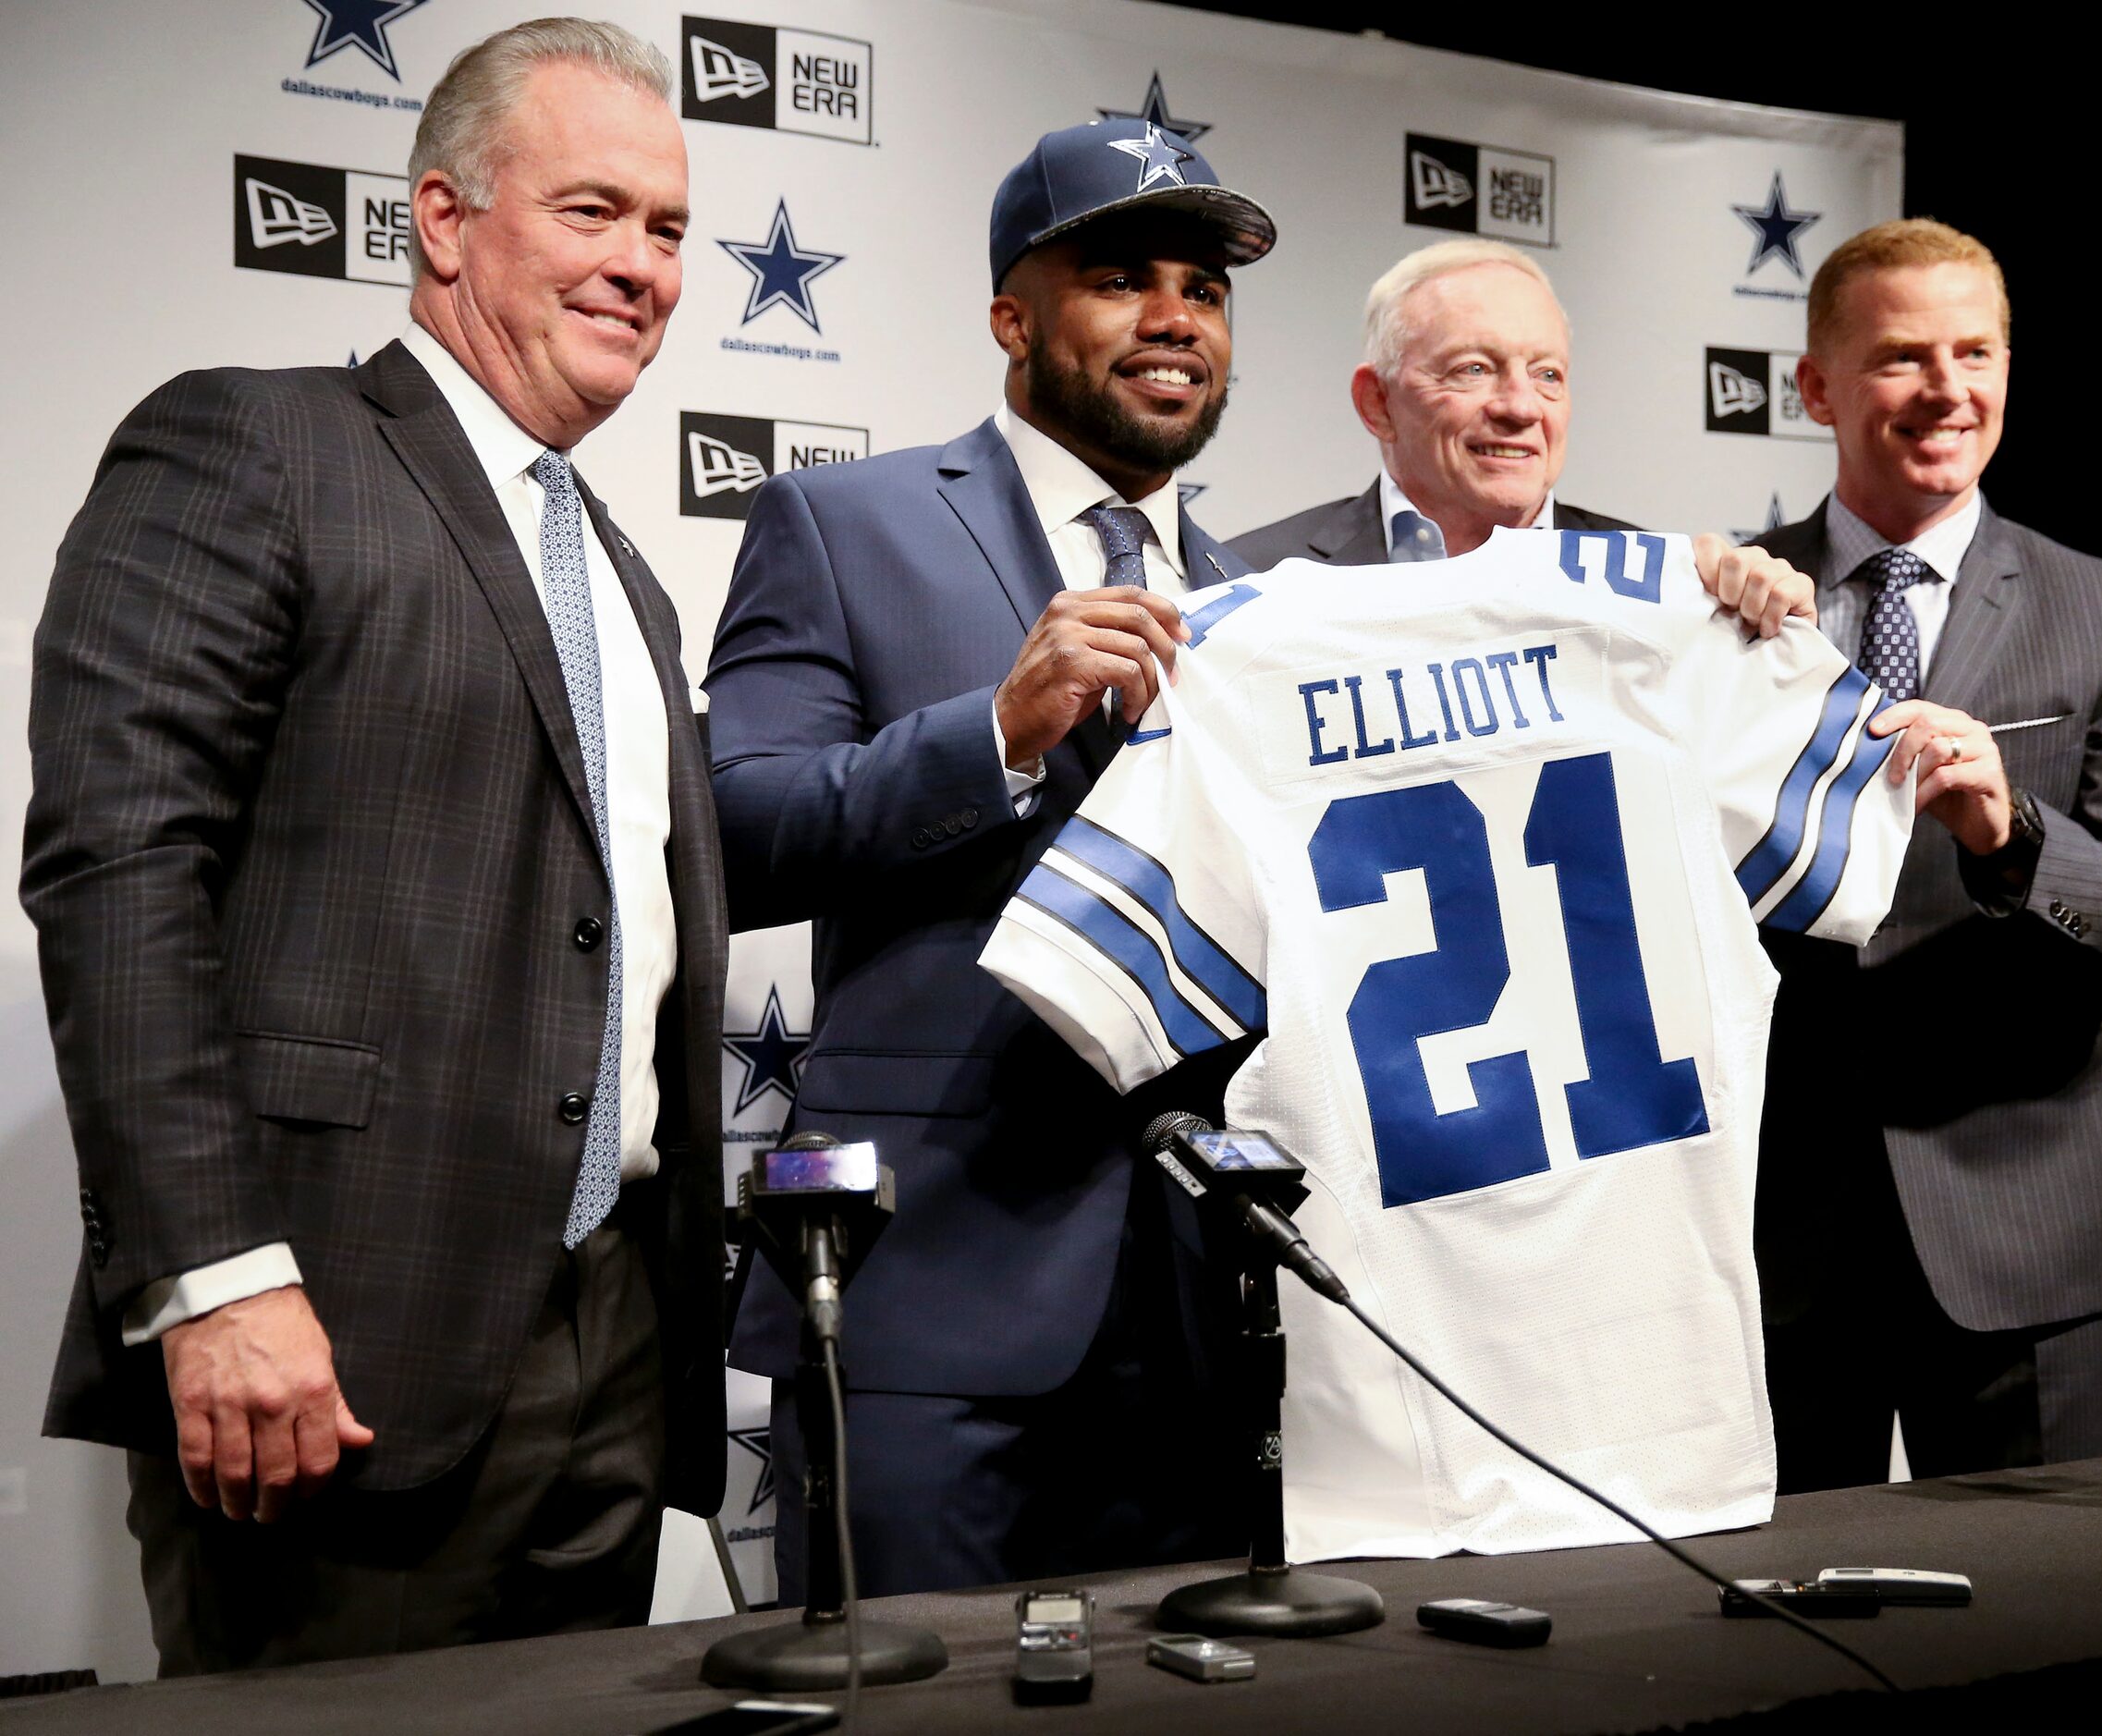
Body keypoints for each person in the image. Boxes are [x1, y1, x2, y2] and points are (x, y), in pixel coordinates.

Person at [20, 20, 725, 1673]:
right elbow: (119, 867)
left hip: (614, 1339)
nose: (641, 266)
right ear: (444, 218)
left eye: (671, 230)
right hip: (325, 1333)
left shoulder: (622, 570)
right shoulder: (251, 444)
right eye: (593, 212)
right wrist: (215, 1272)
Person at [703, 118, 1275, 1599]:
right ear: (1014, 316)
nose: (1174, 318)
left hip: (1208, 1302)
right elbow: (737, 832)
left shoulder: (1265, 604)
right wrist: (998, 734)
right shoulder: (842, 520)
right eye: (1122, 277)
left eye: (1204, 291)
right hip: (928, 1294)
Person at [1747, 218, 2102, 1488]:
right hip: (1781, 1229)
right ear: (1815, 387)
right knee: (1783, 1636)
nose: (1947, 391)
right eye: (1903, 357)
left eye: (1976, 352)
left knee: (2053, 1627)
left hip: (2033, 1228)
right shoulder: (1720, 605)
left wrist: (2014, 840)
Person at [1228, 239, 1637, 568]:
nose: (1522, 408)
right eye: (1473, 369)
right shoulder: (1256, 581)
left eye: (1547, 375)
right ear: (1378, 403)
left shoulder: (1657, 585)